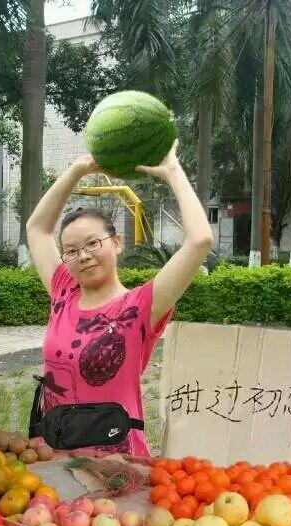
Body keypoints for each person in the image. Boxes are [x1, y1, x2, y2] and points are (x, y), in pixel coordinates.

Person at [27, 140, 213, 456]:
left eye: (93, 243)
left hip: (116, 462)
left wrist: (172, 171)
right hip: (53, 456)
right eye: (71, 250)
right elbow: (37, 229)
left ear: (116, 242)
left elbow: (200, 240)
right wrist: (77, 170)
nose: (83, 256)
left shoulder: (140, 307)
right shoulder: (63, 292)